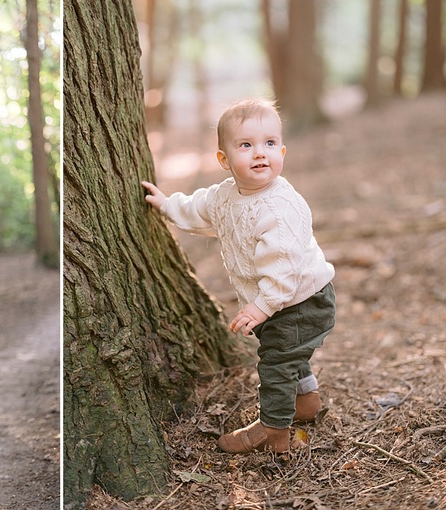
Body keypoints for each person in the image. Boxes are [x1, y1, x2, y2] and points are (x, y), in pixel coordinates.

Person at [141, 98, 336, 453]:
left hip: (302, 301)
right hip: (280, 301)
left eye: (269, 144)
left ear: (282, 151)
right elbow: (197, 206)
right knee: (287, 351)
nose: (260, 153)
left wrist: (261, 307)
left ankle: (274, 435)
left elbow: (285, 268)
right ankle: (306, 401)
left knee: (276, 364)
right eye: (246, 145)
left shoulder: (280, 208)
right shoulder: (225, 195)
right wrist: (167, 204)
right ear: (224, 159)